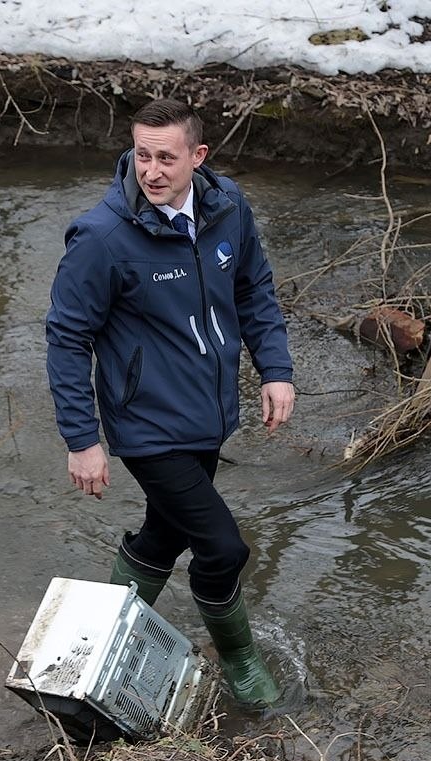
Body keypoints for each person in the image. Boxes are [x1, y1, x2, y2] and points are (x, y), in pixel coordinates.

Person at [45, 98, 295, 705]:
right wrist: (83, 440)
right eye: (141, 155)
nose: (150, 170)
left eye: (165, 157)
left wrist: (275, 369)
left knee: (164, 535)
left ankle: (87, 655)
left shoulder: (227, 207)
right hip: (146, 424)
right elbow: (67, 337)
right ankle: (241, 663)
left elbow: (254, 288)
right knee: (222, 546)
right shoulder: (103, 237)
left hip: (206, 414)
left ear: (197, 157)